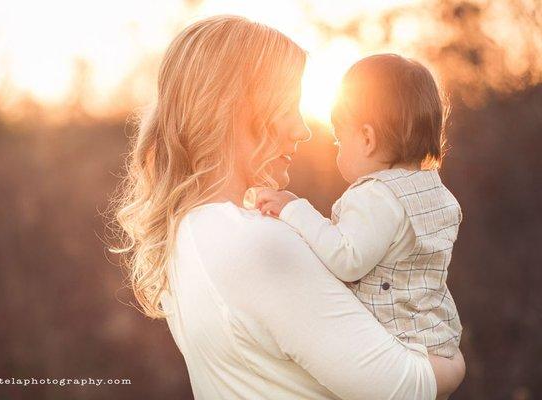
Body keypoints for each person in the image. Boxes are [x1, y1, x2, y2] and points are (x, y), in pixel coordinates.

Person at [113, 15, 465, 399]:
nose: (304, 130)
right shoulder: (259, 244)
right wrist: (454, 366)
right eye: (290, 107)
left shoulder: (187, 232)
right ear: (239, 113)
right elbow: (404, 389)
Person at [254, 54, 463, 359]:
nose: (337, 149)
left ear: (367, 138)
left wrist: (294, 208)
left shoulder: (376, 195)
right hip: (436, 339)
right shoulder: (436, 192)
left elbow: (346, 258)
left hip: (394, 346)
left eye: (339, 140)